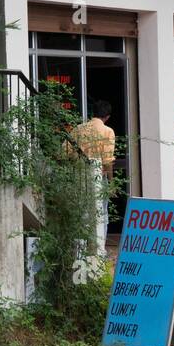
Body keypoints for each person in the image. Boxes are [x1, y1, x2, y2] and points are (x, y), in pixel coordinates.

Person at [69, 101, 116, 253]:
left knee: (81, 212)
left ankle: (80, 251)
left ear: (92, 113)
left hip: (79, 175)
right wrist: (111, 182)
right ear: (107, 117)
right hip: (98, 177)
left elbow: (63, 153)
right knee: (100, 213)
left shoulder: (78, 129)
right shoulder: (107, 131)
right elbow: (107, 161)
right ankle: (98, 252)